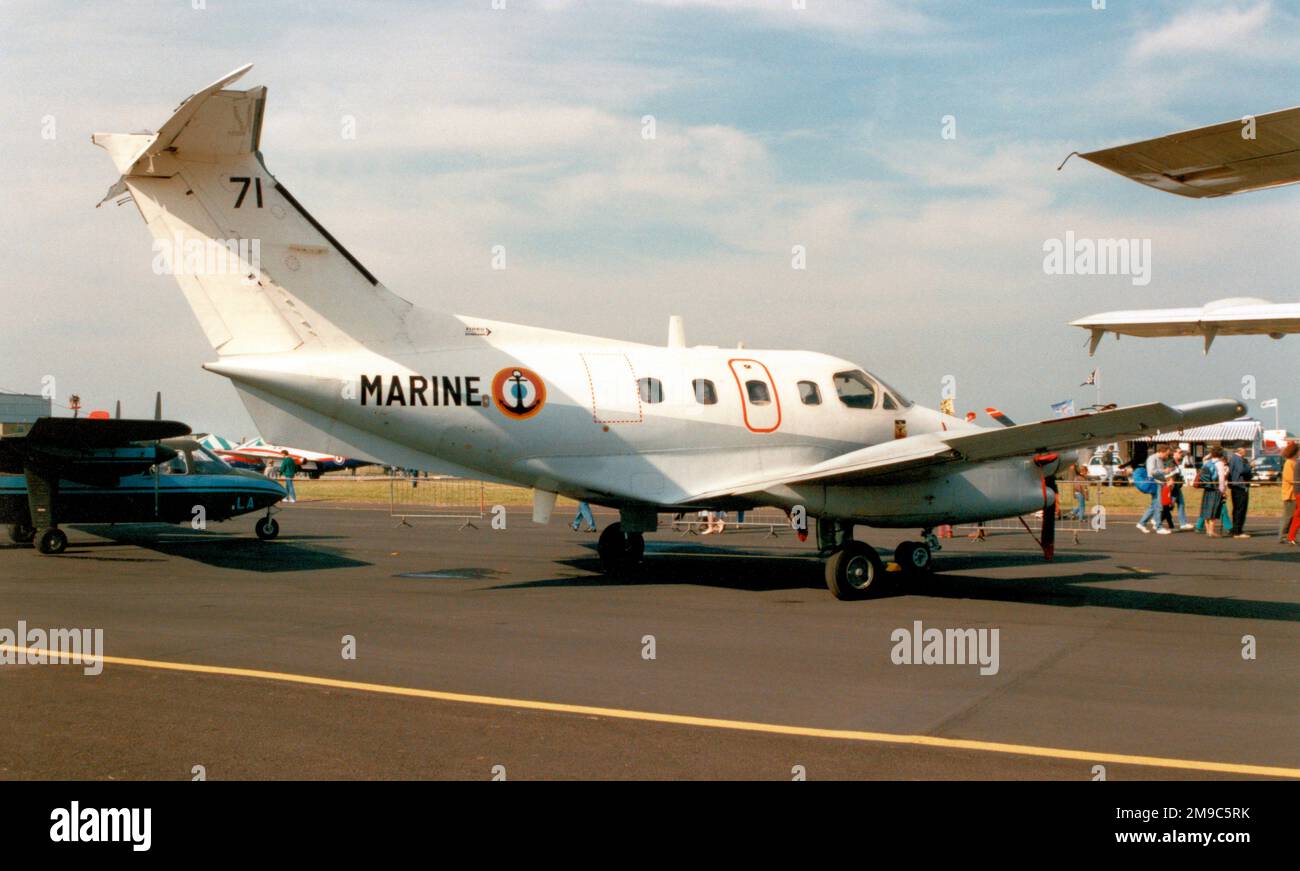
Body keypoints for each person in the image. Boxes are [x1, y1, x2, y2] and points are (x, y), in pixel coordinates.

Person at [1135, 445, 1172, 534]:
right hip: (1154, 483)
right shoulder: (1152, 458)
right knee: (1158, 505)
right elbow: (1151, 471)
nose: (1166, 457)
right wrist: (1164, 471)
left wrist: (1166, 478)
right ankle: (1158, 527)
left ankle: (1142, 523)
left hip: (1160, 483)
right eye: (1166, 455)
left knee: (1154, 505)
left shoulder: (1160, 460)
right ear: (1162, 451)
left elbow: (1159, 472)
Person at [1226, 447, 1253, 539]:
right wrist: (1250, 466)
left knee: (1237, 509)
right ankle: (1238, 531)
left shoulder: (1234, 459)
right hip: (1240, 487)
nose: (1245, 451)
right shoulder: (1237, 459)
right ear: (1240, 450)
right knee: (1240, 509)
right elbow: (1241, 470)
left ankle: (1235, 529)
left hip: (1236, 486)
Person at [1201, 448, 1228, 537]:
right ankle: (1211, 531)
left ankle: (1208, 530)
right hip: (1215, 489)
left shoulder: (1207, 462)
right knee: (1213, 509)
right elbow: (1221, 478)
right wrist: (1223, 490)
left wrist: (1210, 454)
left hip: (1207, 488)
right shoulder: (1219, 463)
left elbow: (1204, 458)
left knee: (1206, 509)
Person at [1280, 442, 1298, 544]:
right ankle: (1282, 536)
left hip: (1294, 494)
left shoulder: (1294, 462)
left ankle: (1289, 536)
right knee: (1288, 516)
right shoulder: (1289, 463)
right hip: (1289, 494)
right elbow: (1290, 478)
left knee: (1292, 516)